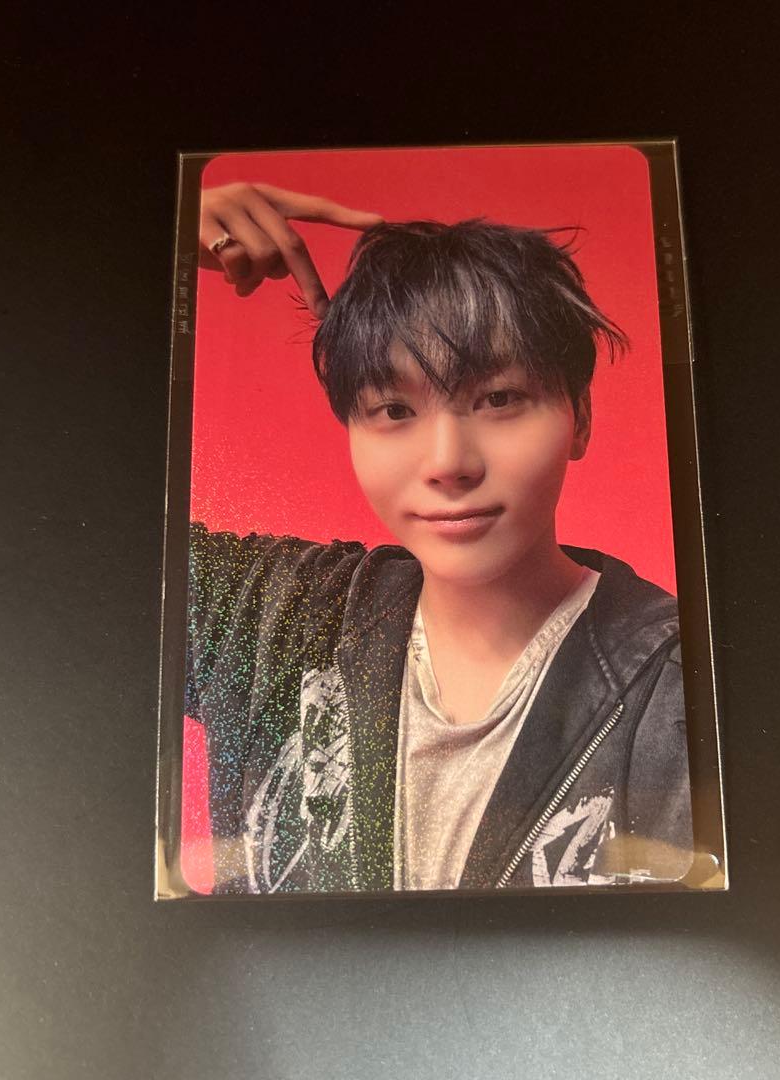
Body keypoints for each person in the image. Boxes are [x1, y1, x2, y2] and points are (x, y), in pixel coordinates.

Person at [186, 182, 692, 893]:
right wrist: (153, 234)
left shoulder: (680, 696)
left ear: (579, 417)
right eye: (396, 410)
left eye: (499, 399)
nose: (449, 462)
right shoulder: (278, 617)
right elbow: (55, 545)